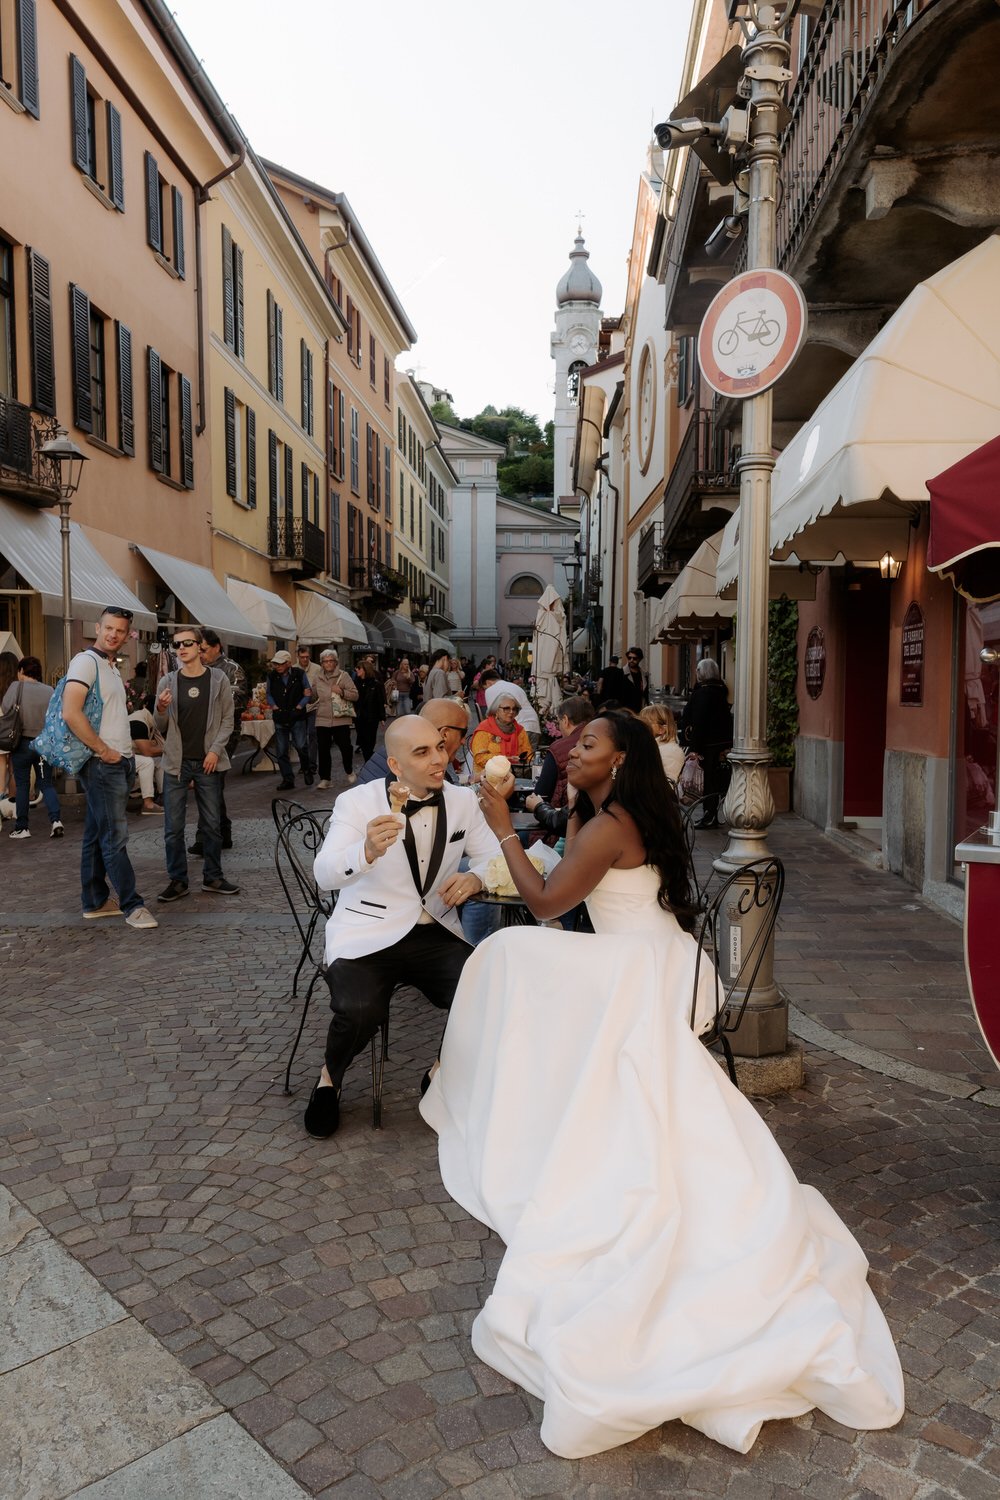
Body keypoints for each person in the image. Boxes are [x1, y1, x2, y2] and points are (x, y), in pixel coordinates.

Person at [420, 711, 904, 1460]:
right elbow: (571, 862)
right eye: (572, 741)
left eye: (585, 745)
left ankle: (511, 1095)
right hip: (649, 955)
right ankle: (547, 1094)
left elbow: (549, 903)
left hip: (635, 972)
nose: (568, 750)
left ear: (619, 762)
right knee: (525, 967)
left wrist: (501, 828)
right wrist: (544, 811)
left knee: (510, 952)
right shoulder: (613, 810)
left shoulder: (612, 825)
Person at [304, 714, 501, 1138]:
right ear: (395, 765)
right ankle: (329, 1079)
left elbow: (490, 858)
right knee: (359, 1010)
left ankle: (440, 1071)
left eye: (440, 747)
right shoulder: (357, 803)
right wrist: (366, 851)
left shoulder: (464, 802)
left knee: (487, 991)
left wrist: (475, 877)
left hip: (435, 930)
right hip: (367, 931)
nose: (438, 759)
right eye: (422, 752)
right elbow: (323, 873)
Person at [62, 607, 157, 929]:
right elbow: (71, 712)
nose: (113, 634)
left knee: (95, 834)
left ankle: (95, 901)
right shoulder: (86, 662)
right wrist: (104, 750)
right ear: (98, 628)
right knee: (115, 838)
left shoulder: (109, 666)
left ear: (127, 633)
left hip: (118, 762)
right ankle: (133, 906)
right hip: (104, 765)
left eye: (120, 630)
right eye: (108, 628)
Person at [154, 627, 238, 901]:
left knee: (212, 825)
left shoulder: (218, 679)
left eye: (187, 643)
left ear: (199, 646)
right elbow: (160, 726)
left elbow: (228, 719)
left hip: (208, 763)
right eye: (177, 644)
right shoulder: (167, 681)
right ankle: (178, 881)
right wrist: (161, 709)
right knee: (173, 829)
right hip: (176, 763)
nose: (181, 648)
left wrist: (215, 751)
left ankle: (213, 877)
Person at [191, 629, 248, 854]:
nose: (200, 654)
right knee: (211, 784)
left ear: (217, 647)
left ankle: (207, 836)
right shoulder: (196, 669)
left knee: (211, 781)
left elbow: (239, 698)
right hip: (201, 735)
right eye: (198, 650)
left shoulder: (232, 669)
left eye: (203, 650)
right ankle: (221, 832)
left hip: (225, 735)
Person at [3, 657, 63, 839]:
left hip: (21, 744)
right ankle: (56, 821)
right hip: (43, 744)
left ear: (21, 671)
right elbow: (55, 715)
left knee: (22, 785)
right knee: (45, 783)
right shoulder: (49, 690)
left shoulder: (16, 687)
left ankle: (22, 827)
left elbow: (6, 709)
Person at [359, 697, 471, 787]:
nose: (463, 741)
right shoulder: (410, 768)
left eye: (440, 748)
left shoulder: (401, 750)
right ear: (444, 734)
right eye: (463, 733)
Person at [680, 657, 733, 828]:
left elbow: (699, 721)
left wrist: (694, 748)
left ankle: (709, 815)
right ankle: (711, 815)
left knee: (708, 781)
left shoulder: (703, 693)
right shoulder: (721, 691)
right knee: (713, 781)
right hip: (719, 742)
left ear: (701, 673)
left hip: (706, 745)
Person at [266, 649, 313, 790]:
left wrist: (299, 706)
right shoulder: (272, 676)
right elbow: (268, 693)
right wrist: (273, 706)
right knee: (281, 750)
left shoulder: (299, 674)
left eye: (280, 663)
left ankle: (306, 769)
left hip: (296, 716)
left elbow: (308, 692)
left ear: (288, 663)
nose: (277, 666)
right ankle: (287, 779)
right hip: (280, 716)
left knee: (301, 746)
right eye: (275, 664)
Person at [314, 649, 359, 787]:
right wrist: (308, 694)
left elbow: (355, 695)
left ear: (335, 662)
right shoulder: (317, 677)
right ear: (321, 663)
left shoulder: (344, 676)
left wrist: (342, 691)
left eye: (331, 661)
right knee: (323, 750)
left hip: (341, 718)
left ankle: (349, 770)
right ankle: (325, 779)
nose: (328, 664)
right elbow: (314, 696)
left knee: (345, 747)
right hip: (322, 718)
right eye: (325, 661)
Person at [469, 690, 532, 775]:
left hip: (516, 775)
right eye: (506, 708)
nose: (511, 712)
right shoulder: (484, 729)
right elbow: (480, 758)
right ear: (496, 711)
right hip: (487, 776)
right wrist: (505, 759)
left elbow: (529, 754)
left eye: (514, 709)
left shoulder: (520, 730)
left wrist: (522, 760)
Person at [128, 704, 164, 815]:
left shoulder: (146, 720)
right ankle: (148, 804)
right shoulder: (138, 722)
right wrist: (167, 748)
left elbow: (152, 748)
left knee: (160, 761)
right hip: (122, 756)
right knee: (147, 762)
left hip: (130, 754)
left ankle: (165, 797)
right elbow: (147, 751)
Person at [483, 678, 540, 748]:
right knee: (530, 757)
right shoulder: (515, 686)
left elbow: (492, 714)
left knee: (513, 756)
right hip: (534, 724)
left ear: (488, 682)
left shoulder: (489, 690)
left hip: (518, 727)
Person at [640, 703, 686, 782]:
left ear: (662, 729)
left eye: (647, 723)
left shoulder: (671, 752)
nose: (641, 726)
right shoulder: (650, 744)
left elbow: (668, 785)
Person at [296, 644, 323, 776]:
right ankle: (304, 764)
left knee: (313, 734)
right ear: (298, 657)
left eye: (307, 657)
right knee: (300, 739)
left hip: (313, 706)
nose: (305, 660)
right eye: (302, 657)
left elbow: (320, 686)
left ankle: (312, 765)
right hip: (299, 708)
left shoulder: (317, 669)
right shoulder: (294, 669)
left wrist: (314, 692)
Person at [353, 658, 385, 763]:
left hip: (372, 717)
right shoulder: (355, 683)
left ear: (365, 670)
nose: (356, 669)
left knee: (370, 742)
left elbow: (380, 700)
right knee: (362, 742)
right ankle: (369, 762)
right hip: (359, 717)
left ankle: (369, 762)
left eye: (359, 668)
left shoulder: (376, 684)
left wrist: (382, 717)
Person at [620, 646, 649, 714]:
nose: (631, 660)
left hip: (639, 710)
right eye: (629, 658)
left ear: (639, 659)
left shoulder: (644, 675)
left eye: (634, 658)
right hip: (625, 711)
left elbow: (645, 694)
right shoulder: (621, 673)